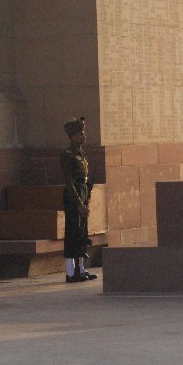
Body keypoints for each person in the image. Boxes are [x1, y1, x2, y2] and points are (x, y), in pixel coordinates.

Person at [61, 117, 97, 283]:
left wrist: (86, 197)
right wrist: (78, 203)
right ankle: (70, 272)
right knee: (72, 234)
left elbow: (84, 179)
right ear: (73, 137)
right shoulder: (67, 155)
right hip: (73, 197)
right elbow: (69, 182)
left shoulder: (81, 155)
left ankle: (81, 269)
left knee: (82, 233)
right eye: (81, 133)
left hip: (82, 194)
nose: (84, 136)